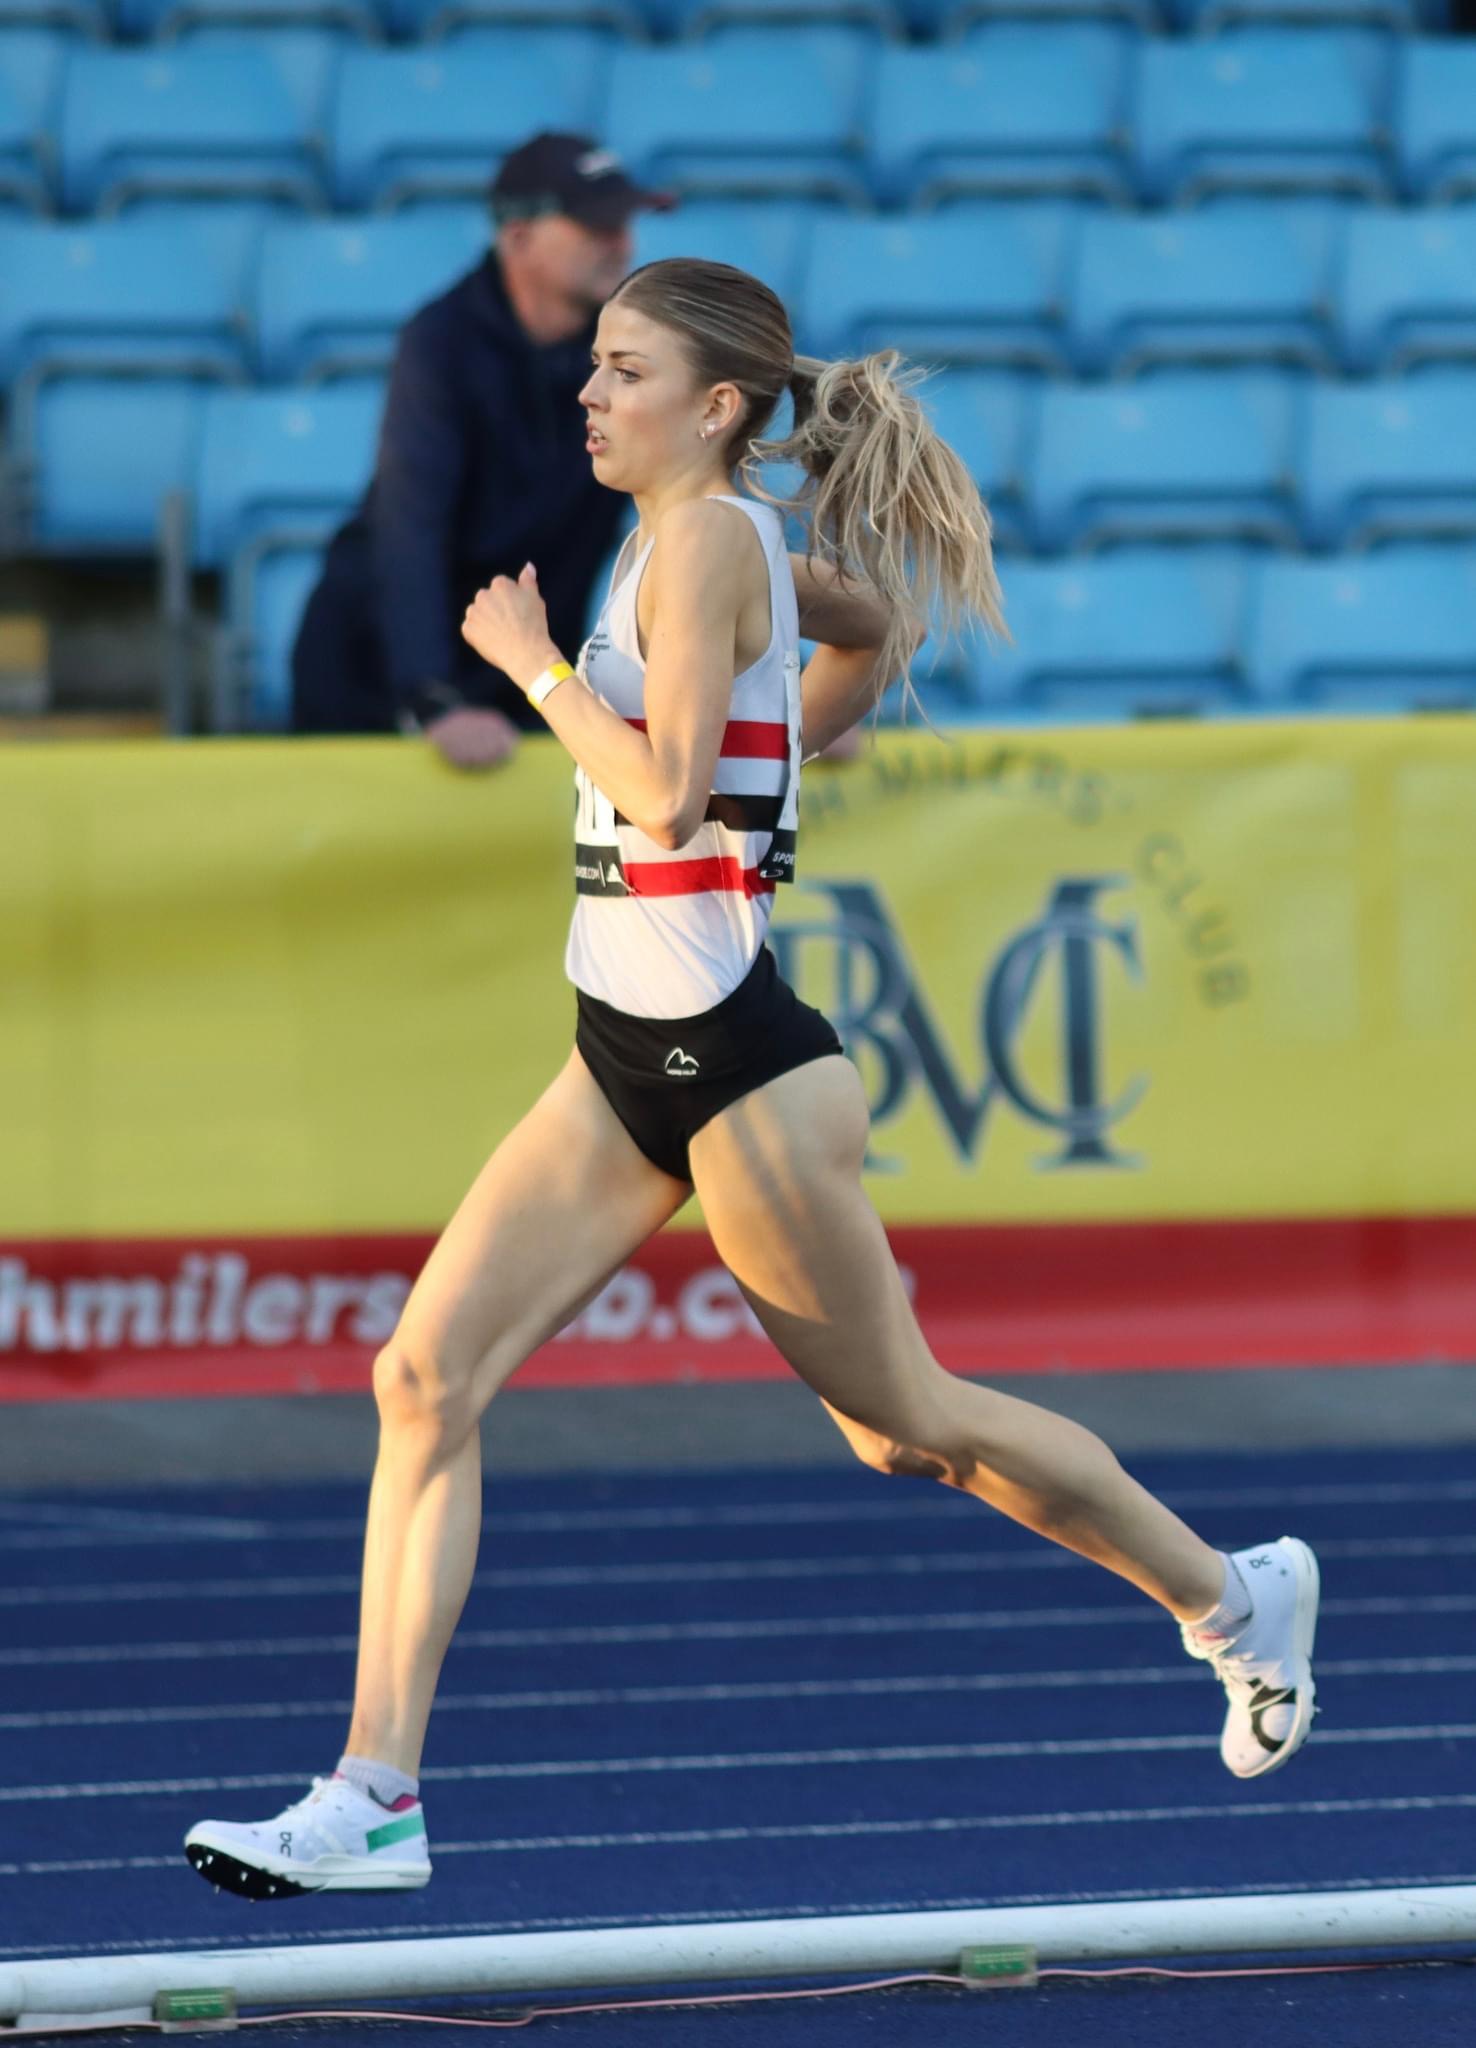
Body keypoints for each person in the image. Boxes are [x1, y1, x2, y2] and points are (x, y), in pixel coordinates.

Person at [185, 257, 1321, 1899]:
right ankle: (375, 1793)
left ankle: (1232, 1595)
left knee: (910, 1427)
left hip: (735, 1075)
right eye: (592, 364)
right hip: (620, 1058)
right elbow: (864, 631)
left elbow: (658, 799)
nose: (589, 394)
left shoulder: (712, 538)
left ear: (716, 405)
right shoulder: (703, 545)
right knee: (423, 1379)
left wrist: (531, 665)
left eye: (624, 371)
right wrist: (792, 718)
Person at [288, 132, 672, 772]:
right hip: (372, 682)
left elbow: (686, 522)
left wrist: (777, 698)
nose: (622, 244)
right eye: (594, 224)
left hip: (520, 677)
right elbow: (412, 527)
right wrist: (432, 697)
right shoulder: (440, 344)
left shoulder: (635, 353)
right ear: (517, 237)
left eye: (624, 224)